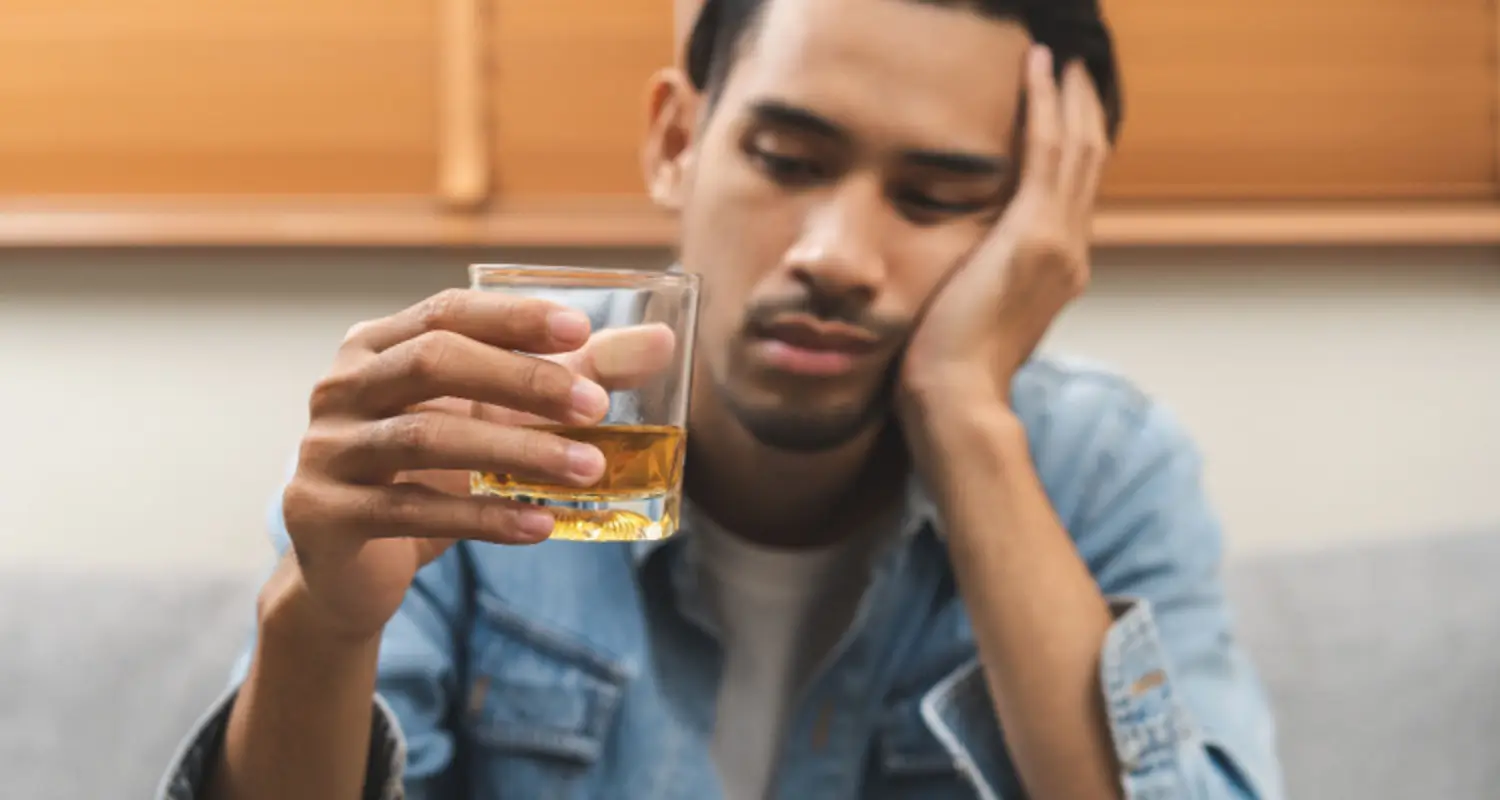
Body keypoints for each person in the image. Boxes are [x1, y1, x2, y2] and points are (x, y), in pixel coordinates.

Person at [160, 0, 1284, 797]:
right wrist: (321, 622)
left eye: (938, 196)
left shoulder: (1104, 471)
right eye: (789, 161)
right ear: (676, 139)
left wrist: (962, 410)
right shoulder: (473, 425)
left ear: (1034, 234)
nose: (838, 255)